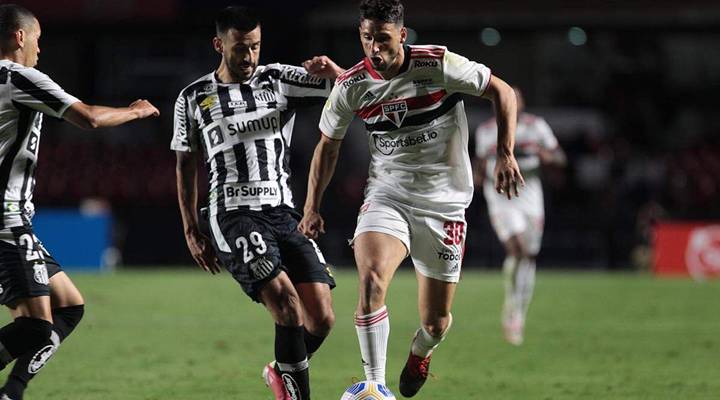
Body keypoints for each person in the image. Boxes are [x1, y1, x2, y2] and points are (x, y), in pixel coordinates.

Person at [298, 0, 523, 397]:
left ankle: (422, 351)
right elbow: (327, 147)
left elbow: (502, 92)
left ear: (402, 35)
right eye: (367, 38)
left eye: (383, 39)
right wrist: (311, 206)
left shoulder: (437, 64)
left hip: (444, 205)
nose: (374, 48)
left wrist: (505, 153)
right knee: (371, 280)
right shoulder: (351, 85)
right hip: (388, 195)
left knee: (436, 322)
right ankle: (375, 385)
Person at [172, 6, 343, 400]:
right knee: (286, 304)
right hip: (232, 214)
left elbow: (348, 90)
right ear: (219, 45)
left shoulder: (278, 79)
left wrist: (334, 72)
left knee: (321, 318)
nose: (249, 56)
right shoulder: (193, 97)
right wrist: (191, 229)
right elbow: (185, 164)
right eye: (240, 48)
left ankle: (279, 370)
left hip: (283, 212)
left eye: (255, 46)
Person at [0, 4, 160, 400]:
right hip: (6, 220)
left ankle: (12, 391)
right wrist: (135, 112)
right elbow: (88, 117)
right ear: (20, 37)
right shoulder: (19, 77)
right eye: (37, 39)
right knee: (36, 326)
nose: (39, 48)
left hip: (14, 221)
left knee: (68, 306)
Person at [474, 87, 566, 346]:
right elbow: (480, 165)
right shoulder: (486, 131)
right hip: (501, 197)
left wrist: (547, 156)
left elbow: (560, 158)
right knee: (518, 249)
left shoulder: (536, 126)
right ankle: (512, 309)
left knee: (529, 255)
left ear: (522, 103)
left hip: (530, 197)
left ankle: (518, 312)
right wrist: (475, 178)